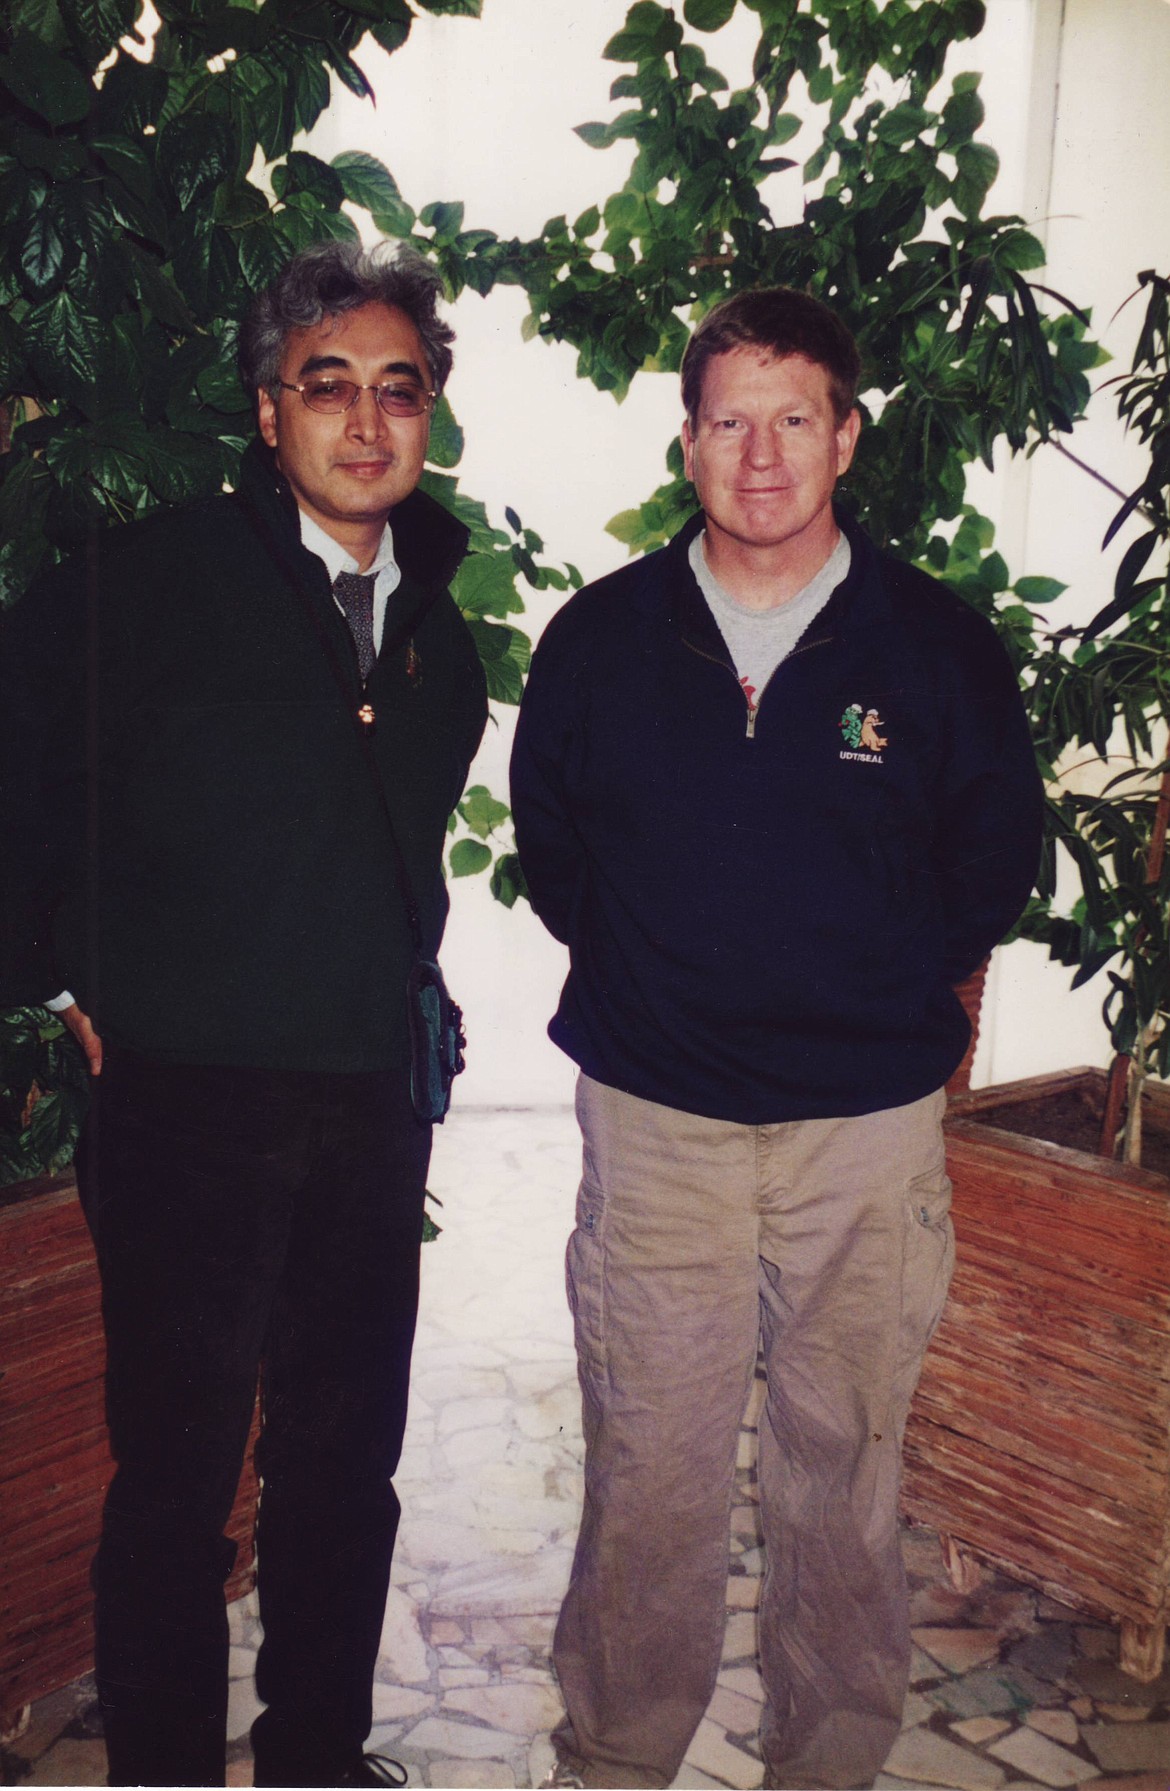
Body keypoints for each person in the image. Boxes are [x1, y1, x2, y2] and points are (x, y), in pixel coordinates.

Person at [510, 286, 1042, 1791]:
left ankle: (829, 1759)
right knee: (649, 1470)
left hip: (859, 1136)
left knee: (841, 1470)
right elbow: (555, 850)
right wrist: (660, 974)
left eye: (791, 418)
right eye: (728, 421)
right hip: (658, 1119)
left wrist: (871, 990)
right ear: (686, 445)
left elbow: (987, 863)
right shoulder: (603, 640)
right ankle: (617, 1753)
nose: (759, 454)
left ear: (845, 438)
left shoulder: (934, 646)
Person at [0, 240, 487, 1788]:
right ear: (265, 412)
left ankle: (318, 1758)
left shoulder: (441, 641)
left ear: (429, 417)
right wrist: (63, 974)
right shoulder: (140, 588)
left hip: (363, 1103)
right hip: (188, 1110)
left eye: (395, 389)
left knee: (345, 1471)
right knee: (177, 1484)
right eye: (324, 385)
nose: (363, 421)